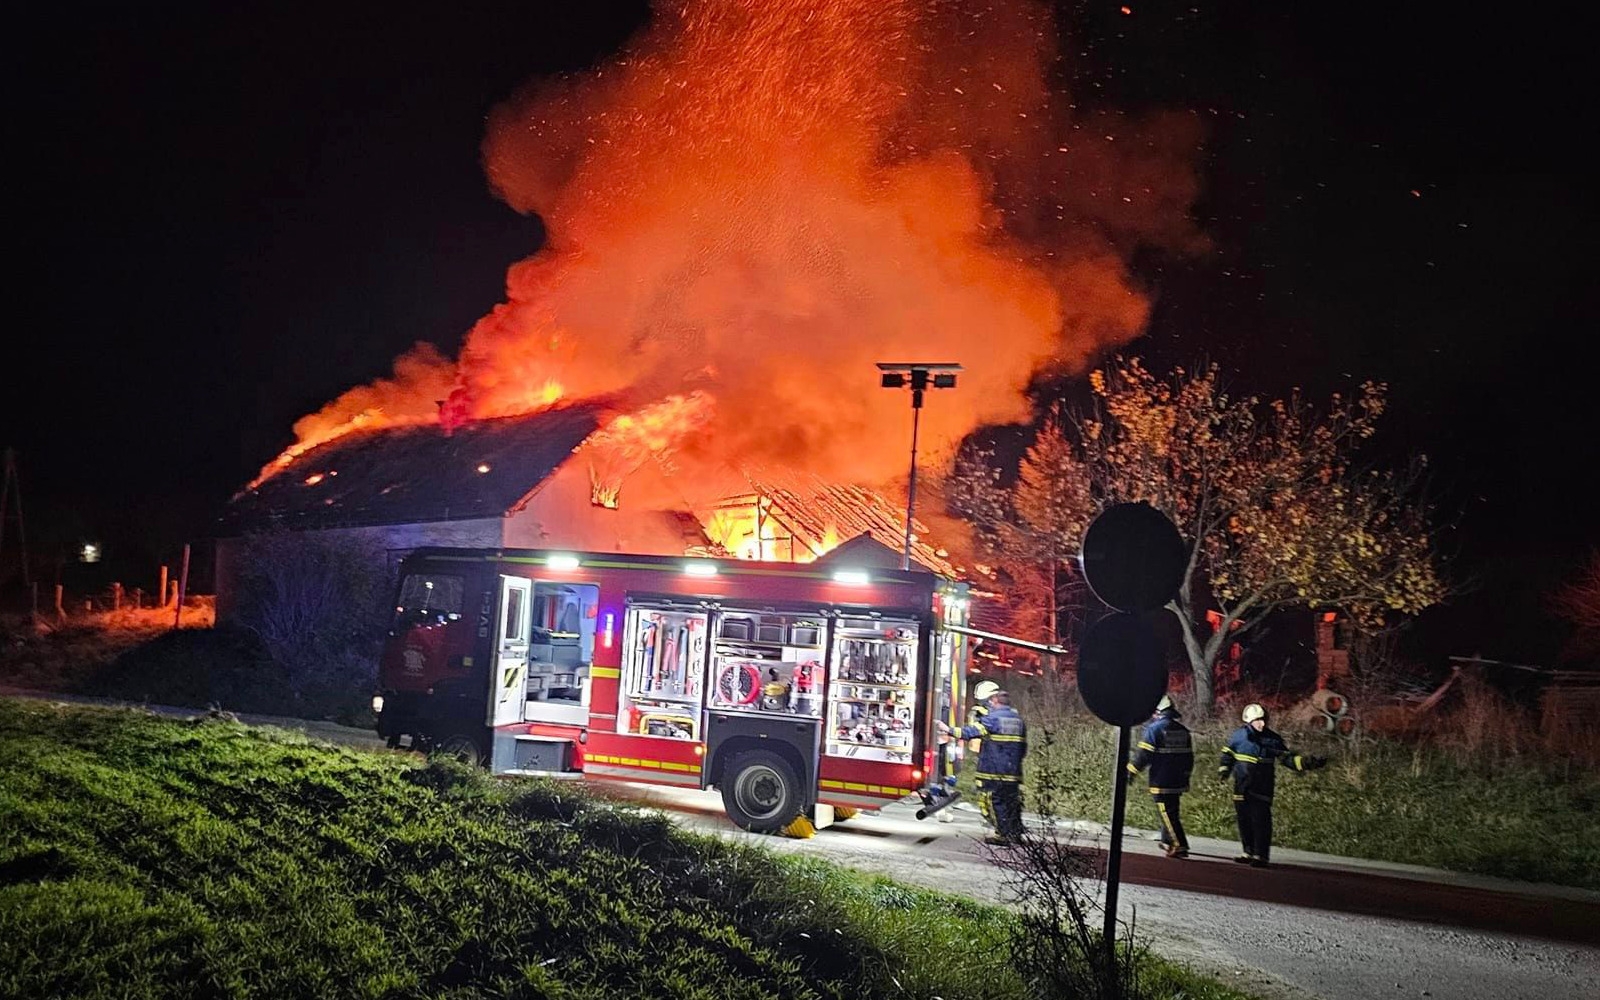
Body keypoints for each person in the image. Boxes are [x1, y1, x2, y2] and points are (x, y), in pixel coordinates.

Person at [1219, 703, 1327, 867]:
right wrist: (1224, 771)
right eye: (1257, 721)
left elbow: (1287, 759)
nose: (1261, 724)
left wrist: (1307, 763)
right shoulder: (1238, 737)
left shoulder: (1273, 739)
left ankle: (1261, 856)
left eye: (1263, 720)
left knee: (1260, 820)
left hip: (1262, 786)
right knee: (1244, 819)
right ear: (1249, 721)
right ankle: (1248, 851)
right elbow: (1227, 755)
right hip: (1242, 786)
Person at [1125, 693, 1194, 858]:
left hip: (1162, 779)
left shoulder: (1154, 729)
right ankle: (1166, 841)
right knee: (1171, 810)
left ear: (1157, 711)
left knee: (1166, 812)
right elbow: (1188, 757)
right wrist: (1185, 775)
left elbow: (1144, 755)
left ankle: (1179, 844)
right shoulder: (1182, 730)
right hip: (1178, 779)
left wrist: (1131, 771)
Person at [957, 683, 1027, 845]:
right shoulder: (1017, 719)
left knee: (997, 801)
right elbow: (1023, 747)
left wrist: (949, 730)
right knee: (1012, 801)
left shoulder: (991, 718)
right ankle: (1015, 833)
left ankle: (1002, 833)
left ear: (993, 700)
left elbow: (972, 733)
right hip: (1013, 769)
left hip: (994, 769)